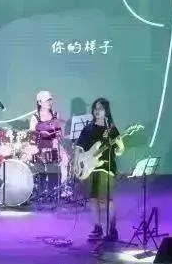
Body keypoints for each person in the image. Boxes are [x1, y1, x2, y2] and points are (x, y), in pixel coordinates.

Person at [76, 97, 123, 241]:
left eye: (100, 108)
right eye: (95, 108)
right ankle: (97, 227)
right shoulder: (88, 128)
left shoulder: (111, 129)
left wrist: (120, 145)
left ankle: (112, 229)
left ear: (106, 111)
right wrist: (77, 162)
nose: (97, 111)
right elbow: (79, 147)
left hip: (106, 168)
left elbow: (119, 151)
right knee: (93, 198)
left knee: (107, 200)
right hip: (91, 168)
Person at [28, 90, 69, 178]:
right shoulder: (35, 118)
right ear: (39, 102)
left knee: (55, 179)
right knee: (41, 180)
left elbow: (59, 135)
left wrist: (62, 151)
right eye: (46, 100)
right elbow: (32, 141)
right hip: (40, 155)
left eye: (50, 100)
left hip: (54, 154)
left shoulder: (56, 115)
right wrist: (48, 144)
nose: (49, 103)